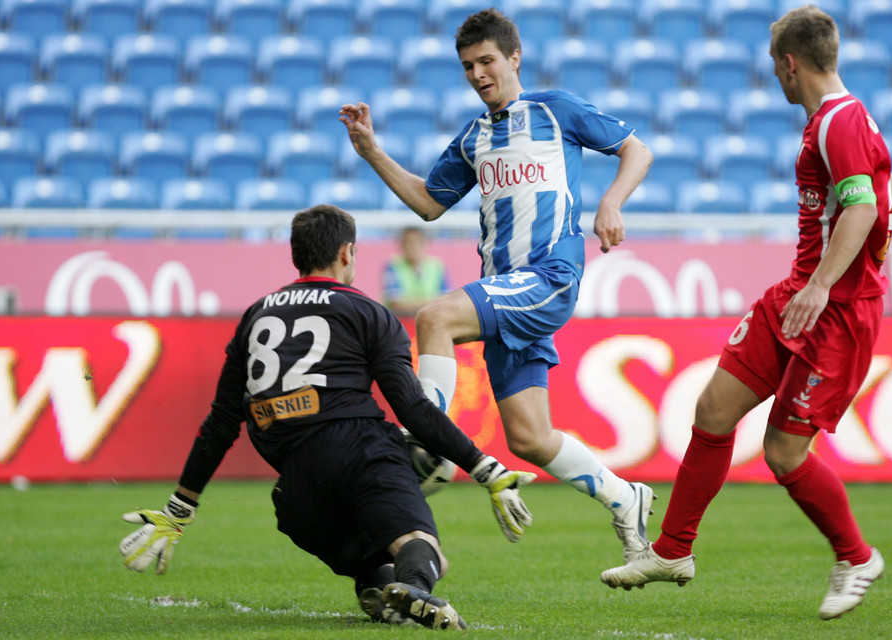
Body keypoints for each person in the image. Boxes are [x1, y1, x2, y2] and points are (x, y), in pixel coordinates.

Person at [600, 6, 892, 621]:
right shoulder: (841, 119)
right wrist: (827, 275)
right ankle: (672, 551)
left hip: (834, 312)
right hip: (795, 296)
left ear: (790, 64)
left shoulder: (838, 124)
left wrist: (825, 284)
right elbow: (888, 197)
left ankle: (855, 556)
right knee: (712, 411)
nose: (775, 77)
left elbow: (866, 208)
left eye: (775, 66)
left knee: (785, 453)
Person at [118, 205, 537, 630]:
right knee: (421, 546)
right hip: (360, 449)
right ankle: (415, 589)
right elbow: (412, 405)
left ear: (296, 255)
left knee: (368, 555)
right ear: (346, 253)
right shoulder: (369, 312)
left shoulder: (256, 315)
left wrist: (179, 508)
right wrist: (487, 468)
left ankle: (378, 587)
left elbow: (222, 421)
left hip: (295, 488)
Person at [340, 8, 656, 562]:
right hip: (507, 292)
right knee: (530, 438)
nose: (478, 73)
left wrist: (611, 201)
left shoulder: (554, 110)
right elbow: (428, 203)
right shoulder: (474, 138)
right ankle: (625, 498)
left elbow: (637, 149)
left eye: (487, 61)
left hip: (549, 278)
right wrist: (371, 152)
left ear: (513, 57)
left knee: (435, 317)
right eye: (467, 66)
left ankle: (431, 444)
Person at [383, 226, 450, 316]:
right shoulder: (393, 266)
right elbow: (395, 303)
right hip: (401, 323)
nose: (413, 247)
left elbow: (446, 301)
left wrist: (410, 303)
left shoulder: (437, 266)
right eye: (409, 242)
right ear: (402, 244)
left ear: (425, 244)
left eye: (418, 242)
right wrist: (431, 302)